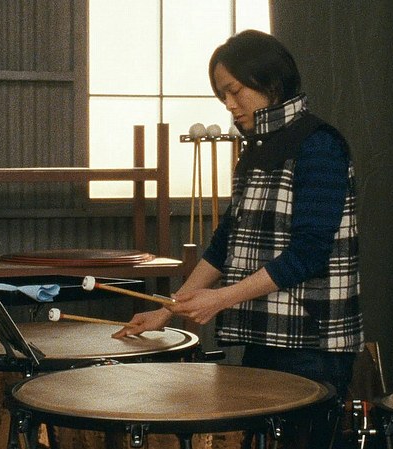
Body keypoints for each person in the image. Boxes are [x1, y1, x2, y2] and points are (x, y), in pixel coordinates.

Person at [114, 29, 364, 408]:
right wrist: (166, 310)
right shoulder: (256, 150)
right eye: (223, 96)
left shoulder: (319, 145)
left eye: (234, 91)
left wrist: (220, 299)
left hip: (313, 342)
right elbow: (224, 244)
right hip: (265, 336)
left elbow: (309, 254)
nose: (229, 105)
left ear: (270, 82)